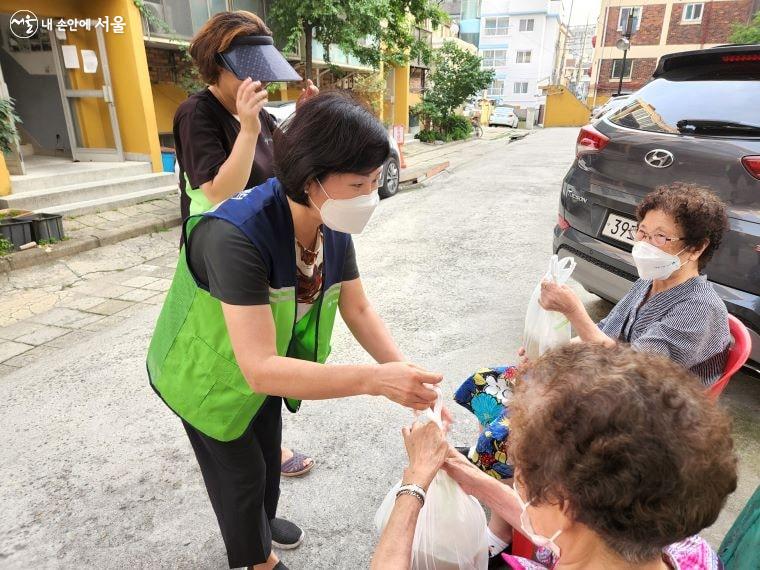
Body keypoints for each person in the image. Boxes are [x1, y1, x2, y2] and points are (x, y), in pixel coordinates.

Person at [148, 91, 443, 570]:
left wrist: (403, 370)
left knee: (266, 457)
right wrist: (374, 381)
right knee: (240, 475)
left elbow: (358, 307)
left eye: (374, 181)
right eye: (358, 183)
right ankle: (257, 559)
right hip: (204, 373)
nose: (370, 195)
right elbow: (260, 370)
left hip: (262, 364)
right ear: (312, 181)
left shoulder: (331, 221)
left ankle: (260, 529)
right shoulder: (236, 235)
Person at [373, 343, 738, 570]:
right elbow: (564, 528)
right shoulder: (689, 552)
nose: (516, 480)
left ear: (562, 501)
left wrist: (415, 482)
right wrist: (454, 463)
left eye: (520, 470)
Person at [173, 9, 319, 477]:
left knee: (263, 351)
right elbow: (218, 189)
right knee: (237, 358)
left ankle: (263, 446)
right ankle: (245, 451)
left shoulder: (256, 114)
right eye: (249, 68)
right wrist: (250, 127)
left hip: (262, 251)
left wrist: (303, 117)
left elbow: (285, 165)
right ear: (220, 65)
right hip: (222, 254)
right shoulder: (197, 112)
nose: (259, 81)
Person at [540, 182, 730, 386]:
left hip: (662, 405)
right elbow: (605, 331)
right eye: (642, 232)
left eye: (660, 237)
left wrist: (574, 311)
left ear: (696, 248)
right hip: (624, 386)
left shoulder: (699, 308)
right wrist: (549, 355)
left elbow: (635, 371)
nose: (645, 244)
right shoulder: (647, 283)